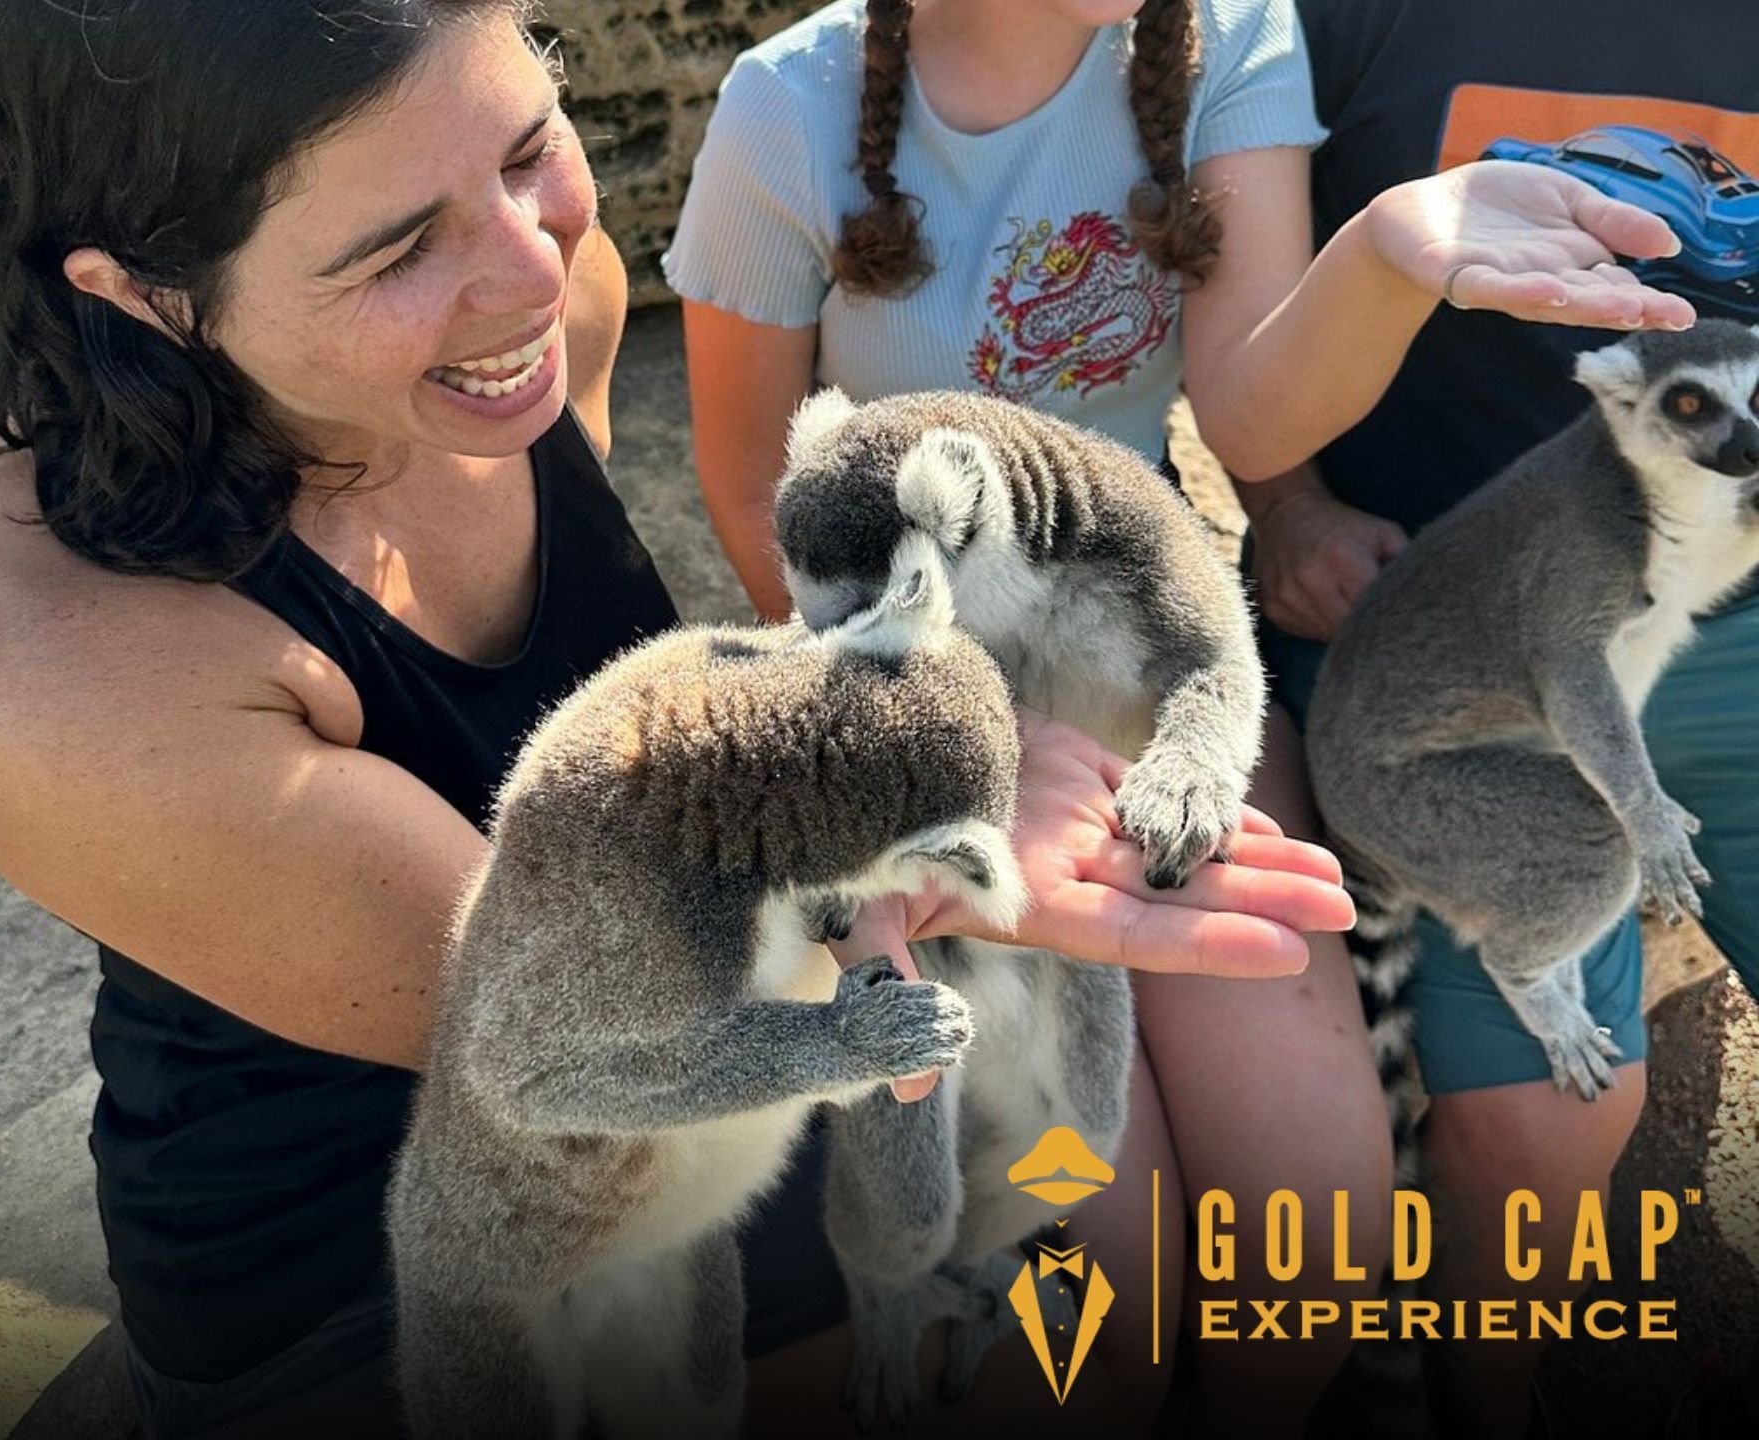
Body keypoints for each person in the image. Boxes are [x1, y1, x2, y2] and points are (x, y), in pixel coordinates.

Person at [0, 3, 1357, 1437]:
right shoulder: (38, 646)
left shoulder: (540, 313)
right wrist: (898, 824)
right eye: (400, 249)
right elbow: (571, 1020)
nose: (536, 273)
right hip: (411, 1233)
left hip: (737, 1065)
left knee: (1118, 1339)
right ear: (143, 290)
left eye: (530, 151)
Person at [663, 0, 1694, 1432]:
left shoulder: (1233, 38)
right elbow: (749, 495)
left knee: (1313, 1250)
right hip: (921, 712)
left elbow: (1253, 414)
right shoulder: (790, 106)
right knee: (1093, 1299)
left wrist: (1395, 251)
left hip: (1162, 678)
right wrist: (946, 734)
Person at [1241, 1, 1759, 1435]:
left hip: (1738, 607)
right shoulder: (1312, 25)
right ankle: (1496, 1391)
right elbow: (1237, 320)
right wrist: (1288, 506)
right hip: (1455, 630)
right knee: (1540, 1125)